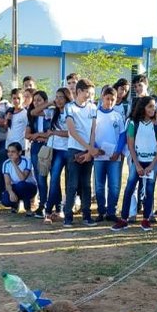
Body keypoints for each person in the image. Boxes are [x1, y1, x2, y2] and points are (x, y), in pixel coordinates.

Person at [112, 96, 157, 231]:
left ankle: (146, 219)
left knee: (149, 190)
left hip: (152, 162)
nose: (153, 109)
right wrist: (137, 165)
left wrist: (151, 166)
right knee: (130, 188)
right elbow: (130, 145)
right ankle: (124, 218)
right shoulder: (133, 123)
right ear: (143, 108)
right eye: (150, 106)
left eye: (154, 106)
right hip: (137, 161)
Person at [64, 78, 99, 227]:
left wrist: (90, 150)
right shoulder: (69, 107)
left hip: (88, 150)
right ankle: (68, 216)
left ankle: (86, 215)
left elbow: (93, 130)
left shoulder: (92, 108)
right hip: (74, 149)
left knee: (86, 184)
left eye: (91, 93)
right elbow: (72, 131)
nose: (89, 96)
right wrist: (88, 148)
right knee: (72, 184)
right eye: (87, 93)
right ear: (79, 91)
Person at [94, 86, 126, 222]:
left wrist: (118, 151)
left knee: (114, 185)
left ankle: (111, 211)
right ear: (102, 98)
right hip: (99, 156)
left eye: (113, 99)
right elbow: (91, 134)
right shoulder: (95, 114)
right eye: (107, 99)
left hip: (114, 157)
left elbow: (122, 135)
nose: (110, 102)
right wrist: (95, 148)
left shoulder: (117, 116)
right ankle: (101, 211)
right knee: (99, 185)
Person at [42, 87, 71, 224]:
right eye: (57, 97)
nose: (58, 100)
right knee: (54, 180)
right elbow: (34, 112)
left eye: (61, 97)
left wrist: (53, 133)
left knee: (69, 182)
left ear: (67, 98)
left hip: (69, 150)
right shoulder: (53, 112)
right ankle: (49, 210)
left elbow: (71, 133)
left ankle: (63, 210)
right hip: (56, 150)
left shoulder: (71, 112)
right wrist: (49, 103)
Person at [25, 90, 52, 217]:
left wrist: (38, 135)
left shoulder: (50, 113)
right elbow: (27, 135)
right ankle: (43, 204)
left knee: (53, 177)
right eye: (34, 100)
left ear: (45, 102)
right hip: (36, 148)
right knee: (40, 178)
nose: (36, 103)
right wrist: (38, 136)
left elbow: (51, 133)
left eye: (39, 100)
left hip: (49, 147)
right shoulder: (32, 116)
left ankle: (54, 205)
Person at [1, 142, 38, 214]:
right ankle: (15, 205)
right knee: (5, 201)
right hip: (15, 187)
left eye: (13, 152)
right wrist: (11, 193)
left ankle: (28, 207)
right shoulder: (6, 163)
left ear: (20, 152)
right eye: (8, 152)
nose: (10, 154)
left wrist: (14, 163)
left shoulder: (26, 160)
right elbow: (7, 183)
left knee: (21, 185)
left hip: (29, 187)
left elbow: (22, 178)